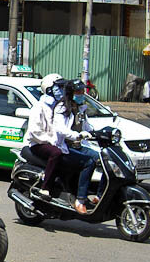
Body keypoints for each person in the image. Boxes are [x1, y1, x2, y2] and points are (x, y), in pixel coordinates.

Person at [26, 73, 89, 204]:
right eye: (58, 88)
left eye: (63, 87)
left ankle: (73, 191)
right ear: (49, 89)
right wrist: (51, 141)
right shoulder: (39, 107)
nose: (62, 91)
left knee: (79, 159)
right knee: (56, 153)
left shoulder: (62, 106)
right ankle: (45, 188)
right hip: (39, 142)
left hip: (56, 142)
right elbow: (34, 131)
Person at [50, 80, 98, 214]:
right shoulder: (62, 107)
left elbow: (87, 126)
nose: (81, 94)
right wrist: (77, 135)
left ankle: (98, 196)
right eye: (78, 91)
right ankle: (80, 199)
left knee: (101, 158)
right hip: (64, 147)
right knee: (88, 163)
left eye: (82, 91)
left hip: (79, 146)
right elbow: (60, 129)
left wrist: (98, 133)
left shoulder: (81, 107)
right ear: (71, 93)